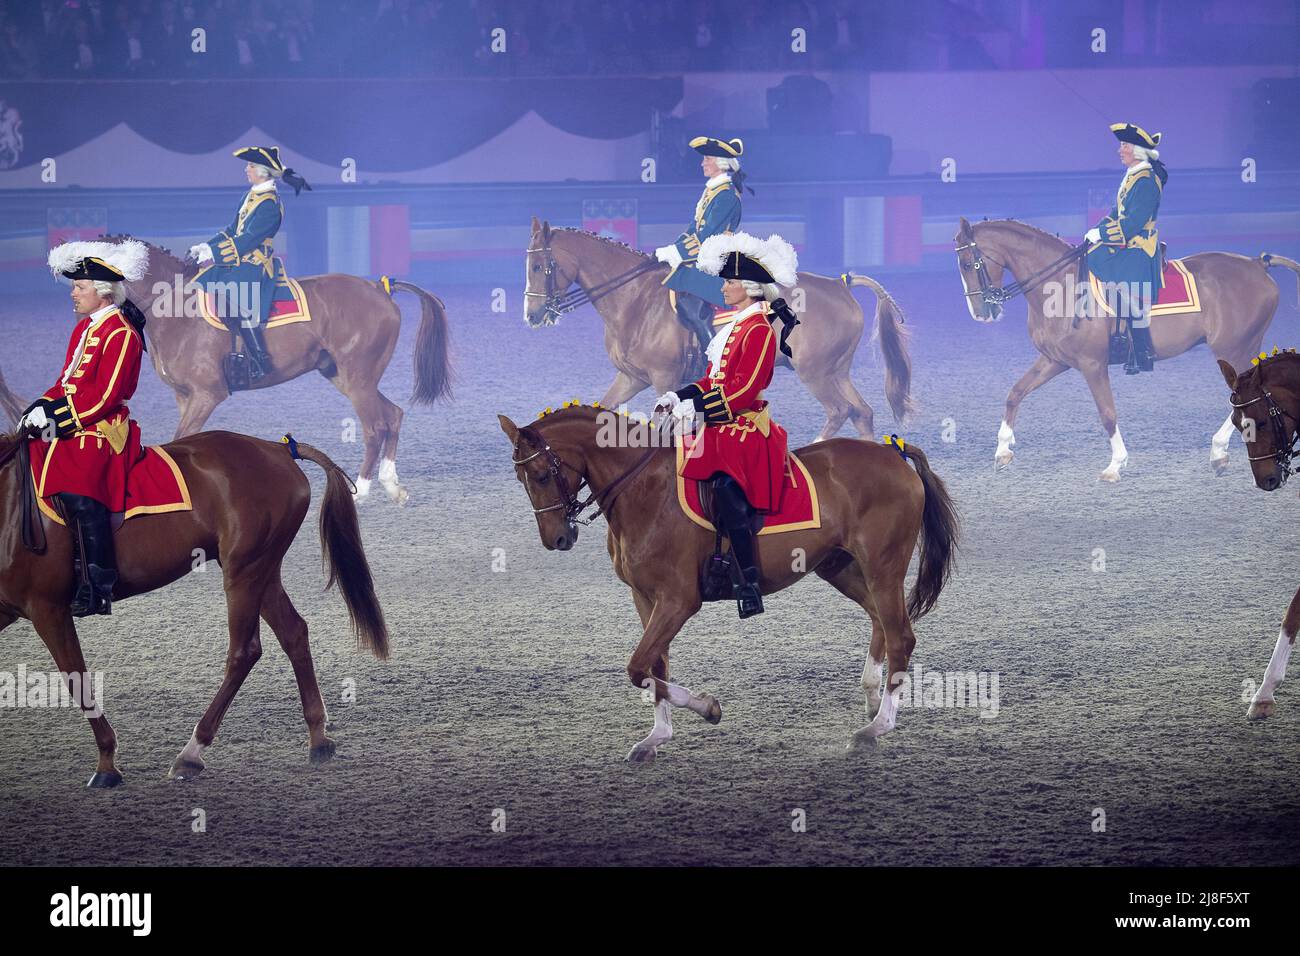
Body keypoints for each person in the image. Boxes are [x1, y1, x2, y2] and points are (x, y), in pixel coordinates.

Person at [655, 232, 800, 620]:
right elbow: (715, 378)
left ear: (749, 288)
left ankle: (747, 580)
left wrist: (701, 410)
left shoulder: (758, 331)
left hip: (746, 427)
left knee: (725, 486)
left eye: (731, 282)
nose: (725, 287)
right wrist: (681, 396)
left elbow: (743, 391)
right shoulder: (736, 326)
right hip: (723, 420)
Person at [19, 241, 151, 616]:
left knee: (79, 490)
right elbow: (66, 381)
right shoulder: (82, 331)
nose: (73, 293)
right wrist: (40, 407)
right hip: (75, 419)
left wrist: (58, 418)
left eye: (80, 287)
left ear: (103, 291)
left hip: (103, 429)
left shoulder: (121, 333)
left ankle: (99, 585)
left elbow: (105, 396)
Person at [190, 145, 310, 383]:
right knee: (201, 282)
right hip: (239, 257)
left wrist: (214, 252)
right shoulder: (249, 196)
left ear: (264, 172)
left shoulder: (270, 203)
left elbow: (249, 239)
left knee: (238, 298)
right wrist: (206, 245)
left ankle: (259, 359)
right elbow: (232, 230)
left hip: (255, 261)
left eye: (251, 166)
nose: (247, 169)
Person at [656, 136, 748, 376]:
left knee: (689, 299)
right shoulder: (712, 191)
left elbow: (706, 236)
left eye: (707, 159)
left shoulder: (726, 195)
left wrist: (678, 253)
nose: (702, 163)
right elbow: (693, 229)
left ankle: (711, 362)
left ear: (720, 163)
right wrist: (672, 250)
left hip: (718, 257)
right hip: (706, 254)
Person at [1084, 122, 1168, 374]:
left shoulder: (1147, 182)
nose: (1119, 150)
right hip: (1127, 241)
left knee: (1111, 272)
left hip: (1140, 247)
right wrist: (1097, 230)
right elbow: (1116, 213)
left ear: (1138, 151)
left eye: (1124, 146)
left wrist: (1102, 234)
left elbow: (1132, 224)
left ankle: (1141, 349)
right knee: (1091, 254)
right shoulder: (1133, 176)